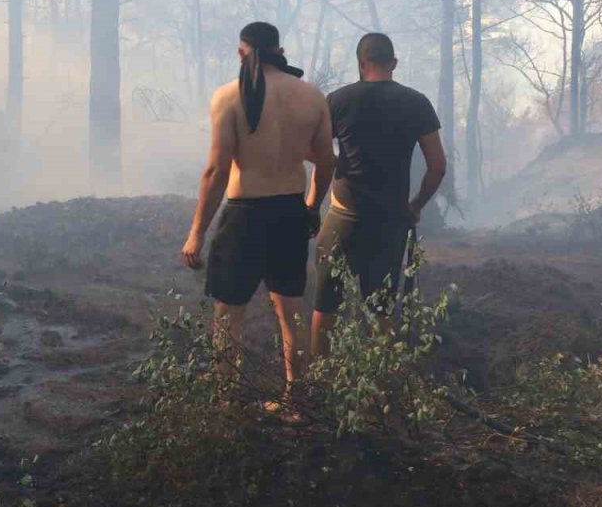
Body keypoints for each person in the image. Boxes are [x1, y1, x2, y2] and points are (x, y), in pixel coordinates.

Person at [182, 22, 336, 385]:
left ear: (242, 53)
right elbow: (326, 162)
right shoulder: (312, 96)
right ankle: (296, 401)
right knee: (291, 314)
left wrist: (197, 232)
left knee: (228, 316)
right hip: (290, 213)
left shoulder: (228, 96)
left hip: (244, 217)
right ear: (279, 51)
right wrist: (312, 207)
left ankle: (227, 402)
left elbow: (216, 170)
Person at [311, 32, 447, 356]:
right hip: (389, 222)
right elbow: (438, 167)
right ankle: (382, 382)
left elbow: (316, 154)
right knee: (381, 310)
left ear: (361, 63)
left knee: (325, 306)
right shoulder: (417, 103)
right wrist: (416, 205)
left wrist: (316, 198)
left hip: (343, 218)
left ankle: (315, 379)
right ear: (394, 63)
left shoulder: (338, 100)